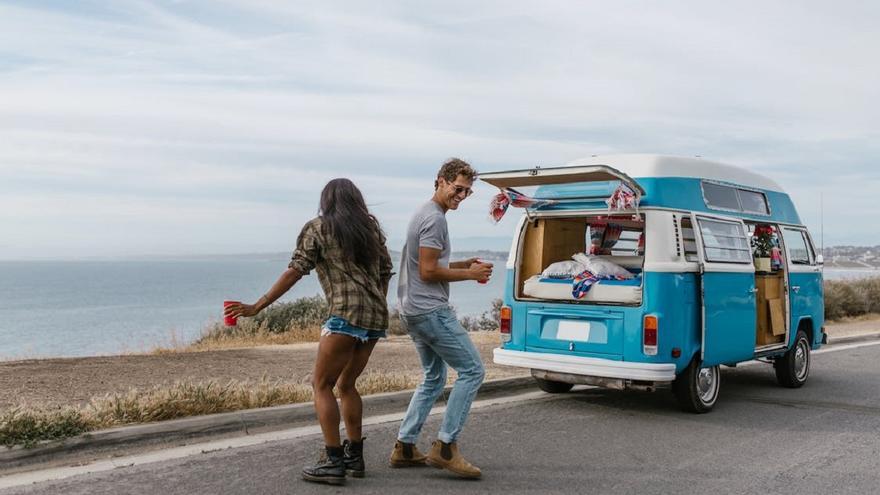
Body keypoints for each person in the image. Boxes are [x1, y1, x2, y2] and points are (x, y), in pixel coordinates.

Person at [225, 178, 393, 486]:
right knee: (348, 385)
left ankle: (333, 461)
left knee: (321, 385)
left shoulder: (318, 228)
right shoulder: (370, 230)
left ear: (326, 201)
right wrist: (375, 301)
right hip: (376, 317)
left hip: (344, 314)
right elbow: (385, 272)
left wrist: (258, 305)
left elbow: (296, 270)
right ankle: (355, 457)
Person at [389, 158, 493, 479]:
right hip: (430, 310)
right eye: (457, 189)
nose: (461, 196)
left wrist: (462, 265)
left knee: (434, 378)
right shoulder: (435, 219)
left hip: (412, 309)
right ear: (441, 181)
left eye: (467, 192)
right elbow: (429, 270)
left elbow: (428, 261)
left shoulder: (424, 213)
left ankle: (405, 446)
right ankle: (445, 447)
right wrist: (470, 275)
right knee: (473, 371)